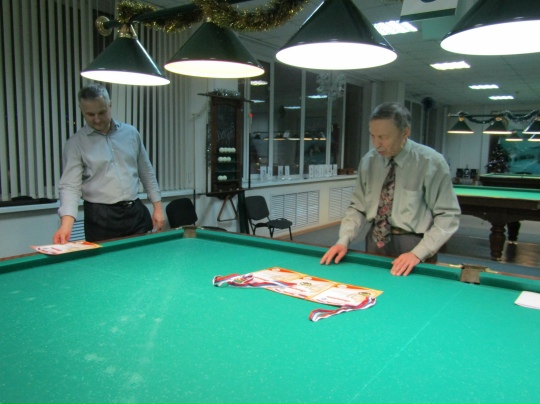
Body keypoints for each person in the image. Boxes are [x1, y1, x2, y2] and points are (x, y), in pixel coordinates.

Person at [320, 102, 460, 276]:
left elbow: (448, 215)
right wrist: (343, 240)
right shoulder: (369, 161)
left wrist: (418, 253)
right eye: (373, 135)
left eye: (383, 137)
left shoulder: (431, 162)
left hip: (415, 245)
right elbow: (357, 207)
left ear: (405, 132)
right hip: (374, 241)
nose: (376, 144)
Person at [53, 84, 165, 244]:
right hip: (100, 217)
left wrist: (158, 208)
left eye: (102, 112)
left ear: (110, 105)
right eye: (90, 114)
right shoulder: (75, 144)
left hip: (135, 211)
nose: (97, 119)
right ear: (81, 109)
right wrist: (66, 225)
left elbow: (146, 172)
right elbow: (70, 186)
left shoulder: (131, 133)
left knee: (142, 255)